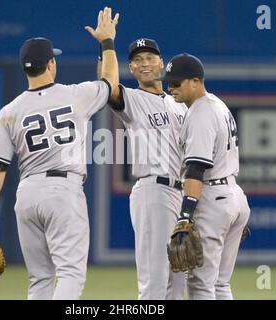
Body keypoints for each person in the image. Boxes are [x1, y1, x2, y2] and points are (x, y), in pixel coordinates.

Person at [0, 7, 120, 300]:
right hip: (63, 191)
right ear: (50, 64)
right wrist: (107, 43)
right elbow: (111, 84)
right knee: (71, 273)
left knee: (39, 279)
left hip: (26, 195)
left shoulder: (8, 112)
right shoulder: (75, 95)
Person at [98, 38, 188, 299]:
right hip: (154, 192)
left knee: (178, 281)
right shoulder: (132, 99)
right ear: (131, 68)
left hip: (182, 194)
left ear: (161, 62)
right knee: (154, 281)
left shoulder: (179, 102)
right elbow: (107, 87)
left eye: (150, 57)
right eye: (137, 60)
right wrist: (106, 45)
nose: (144, 63)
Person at [162, 53, 250, 299]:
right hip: (233, 197)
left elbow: (196, 168)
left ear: (195, 81)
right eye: (169, 82)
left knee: (201, 284)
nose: (171, 88)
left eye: (177, 82)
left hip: (213, 199)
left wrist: (185, 215)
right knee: (220, 284)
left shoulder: (201, 112)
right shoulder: (217, 104)